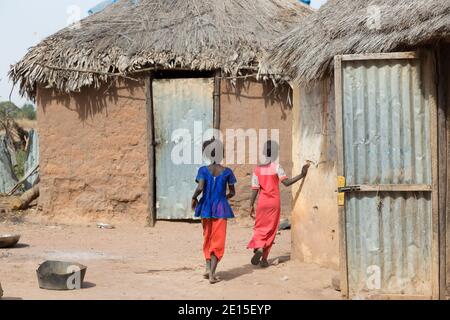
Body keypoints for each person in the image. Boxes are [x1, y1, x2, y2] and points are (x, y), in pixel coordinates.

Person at [248, 140, 310, 268]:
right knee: (271, 229)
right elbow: (286, 183)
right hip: (274, 203)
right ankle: (264, 258)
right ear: (275, 154)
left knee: (260, 227)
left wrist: (251, 205)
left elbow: (254, 189)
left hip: (262, 203)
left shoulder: (257, 169)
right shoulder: (276, 167)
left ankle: (259, 245)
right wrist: (302, 175)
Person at [191, 138, 237, 284]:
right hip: (221, 208)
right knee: (218, 240)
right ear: (221, 154)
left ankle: (207, 267)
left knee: (207, 237)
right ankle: (212, 274)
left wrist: (194, 197)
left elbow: (200, 187)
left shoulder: (203, 170)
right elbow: (232, 192)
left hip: (205, 208)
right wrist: (224, 197)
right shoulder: (227, 172)